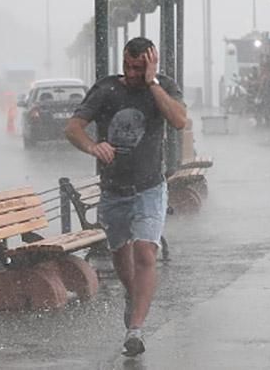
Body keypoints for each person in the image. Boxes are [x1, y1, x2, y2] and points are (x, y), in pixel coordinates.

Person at [65, 37, 187, 357]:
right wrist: (92, 145)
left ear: (151, 63)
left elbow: (179, 120)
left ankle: (135, 329)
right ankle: (132, 297)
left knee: (146, 253)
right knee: (121, 254)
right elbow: (73, 128)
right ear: (122, 62)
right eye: (128, 66)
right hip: (113, 190)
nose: (132, 73)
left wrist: (153, 83)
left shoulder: (162, 87)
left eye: (139, 67)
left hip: (149, 188)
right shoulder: (107, 89)